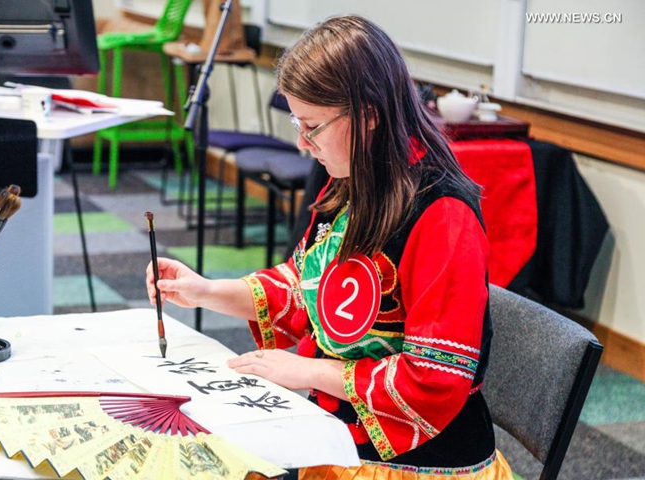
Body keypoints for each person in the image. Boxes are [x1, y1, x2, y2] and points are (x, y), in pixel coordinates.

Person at [146, 14, 513, 480]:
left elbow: (433, 376)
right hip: (339, 433)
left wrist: (306, 373)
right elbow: (304, 287)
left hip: (419, 461)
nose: (302, 144)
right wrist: (207, 291)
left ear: (369, 116)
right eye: (299, 123)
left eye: (313, 126)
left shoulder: (441, 214)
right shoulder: (353, 183)